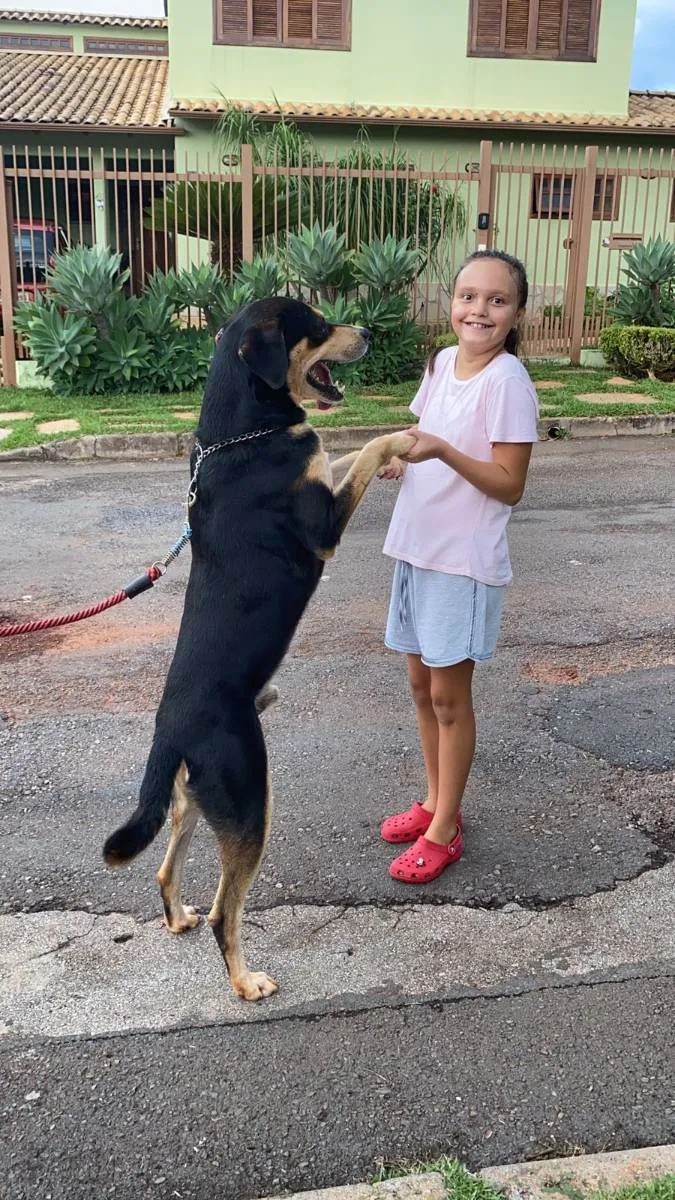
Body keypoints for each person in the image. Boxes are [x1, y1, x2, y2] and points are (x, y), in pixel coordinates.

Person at [378, 249, 539, 884]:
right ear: (452, 302)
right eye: (468, 296)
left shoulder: (508, 383)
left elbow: (509, 484)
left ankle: (446, 828)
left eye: (496, 300)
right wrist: (402, 455)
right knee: (421, 689)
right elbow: (427, 431)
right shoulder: (442, 363)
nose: (479, 310)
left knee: (449, 699)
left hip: (461, 563)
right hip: (416, 547)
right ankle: (432, 800)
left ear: (516, 312)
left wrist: (442, 452)